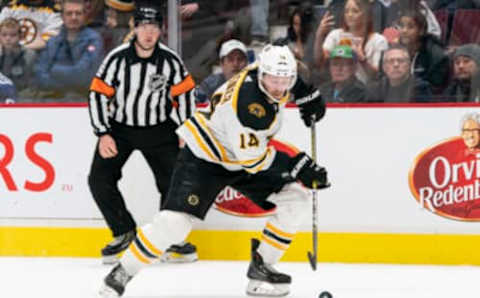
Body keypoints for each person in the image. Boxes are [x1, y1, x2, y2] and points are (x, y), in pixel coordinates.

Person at [98, 44, 329, 298]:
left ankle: (262, 267)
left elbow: (284, 78)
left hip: (237, 153)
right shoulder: (250, 108)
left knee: (296, 198)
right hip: (204, 157)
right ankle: (122, 272)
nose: (278, 88)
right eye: (274, 81)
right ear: (262, 76)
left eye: (285, 81)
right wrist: (298, 166)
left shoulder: (259, 71)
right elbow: (253, 162)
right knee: (174, 225)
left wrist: (306, 94)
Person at [88, 3, 198, 265]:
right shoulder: (116, 59)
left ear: (161, 31)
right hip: (120, 128)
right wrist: (103, 133)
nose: (148, 33)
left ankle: (170, 238)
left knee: (173, 183)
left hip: (159, 129)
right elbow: (97, 94)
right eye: (143, 26)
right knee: (99, 179)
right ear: (134, 28)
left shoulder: (170, 60)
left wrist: (185, 130)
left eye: (154, 27)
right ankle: (124, 233)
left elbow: (185, 94)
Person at [34, 0, 104, 101]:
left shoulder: (94, 39)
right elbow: (40, 74)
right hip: (52, 98)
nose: (74, 17)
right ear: (62, 17)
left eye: (78, 13)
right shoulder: (53, 41)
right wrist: (66, 82)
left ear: (85, 16)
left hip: (83, 99)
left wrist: (54, 71)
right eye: (69, 13)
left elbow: (83, 75)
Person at [314, 0, 389, 84]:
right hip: (339, 88)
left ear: (366, 15)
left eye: (355, 11)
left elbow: (377, 75)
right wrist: (319, 35)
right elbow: (320, 62)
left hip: (366, 91)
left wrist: (362, 59)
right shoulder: (336, 35)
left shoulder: (379, 40)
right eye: (346, 11)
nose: (349, 15)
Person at [396, 9, 449, 92]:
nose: (404, 31)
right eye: (401, 26)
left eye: (410, 27)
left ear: (421, 31)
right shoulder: (394, 52)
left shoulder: (436, 55)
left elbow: (435, 88)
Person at [367, 44, 432, 102]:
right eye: (391, 61)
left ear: (409, 65)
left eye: (401, 61)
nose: (396, 64)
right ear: (384, 67)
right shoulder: (376, 88)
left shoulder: (420, 87)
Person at [194, 39, 248, 103]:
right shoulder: (210, 85)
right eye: (230, 59)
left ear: (246, 64)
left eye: (240, 59)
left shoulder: (255, 84)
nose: (235, 64)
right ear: (222, 64)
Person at [0, 17, 36, 100]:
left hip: (22, 100)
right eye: (4, 35)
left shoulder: (29, 56)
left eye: (13, 35)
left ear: (20, 36)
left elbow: (32, 87)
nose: (8, 38)